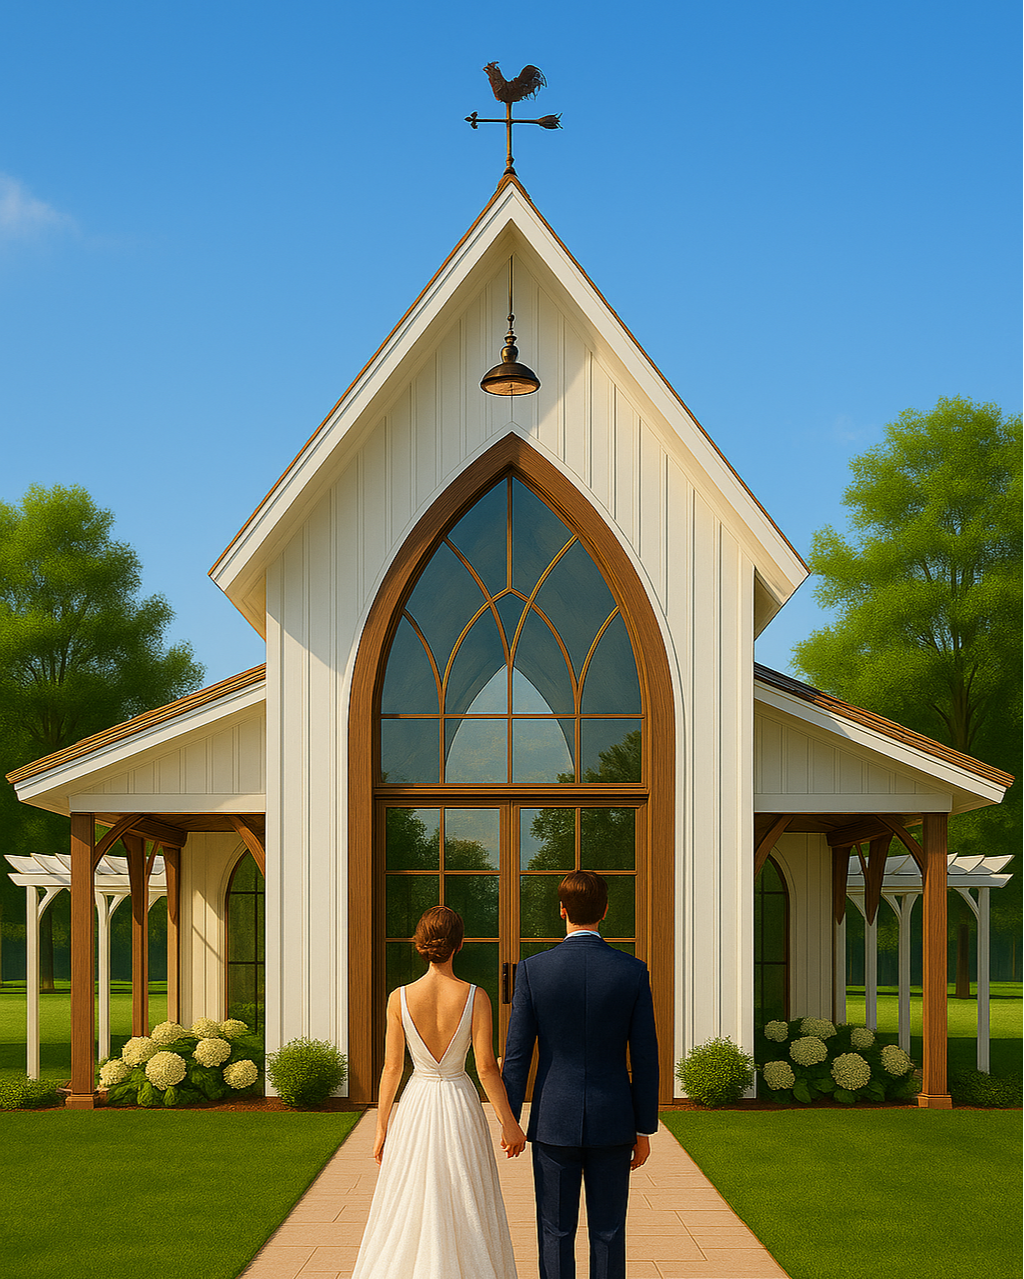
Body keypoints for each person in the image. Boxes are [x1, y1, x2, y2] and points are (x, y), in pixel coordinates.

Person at [351, 905, 526, 1279]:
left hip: (416, 1104)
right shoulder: (475, 996)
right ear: (459, 944)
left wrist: (382, 1126)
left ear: (420, 945)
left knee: (411, 1199)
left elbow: (392, 1068)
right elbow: (485, 1068)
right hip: (460, 1103)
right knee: (465, 1198)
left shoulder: (398, 998)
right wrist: (509, 1123)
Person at [501, 870, 659, 1279]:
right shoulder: (632, 971)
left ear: (562, 911)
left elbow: (517, 1055)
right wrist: (644, 1129)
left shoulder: (534, 971)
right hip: (614, 1120)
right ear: (605, 911)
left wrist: (510, 1120)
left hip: (554, 1121)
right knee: (608, 1230)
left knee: (555, 1230)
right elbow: (645, 1057)